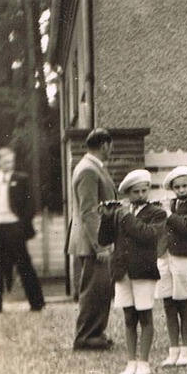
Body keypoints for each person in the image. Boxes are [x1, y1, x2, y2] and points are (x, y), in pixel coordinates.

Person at [100, 169, 167, 374]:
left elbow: (147, 235)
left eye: (144, 190)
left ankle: (144, 362)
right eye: (135, 192)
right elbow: (103, 239)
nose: (140, 195)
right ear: (128, 193)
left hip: (144, 271)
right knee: (129, 317)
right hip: (123, 271)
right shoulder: (121, 213)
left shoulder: (157, 212)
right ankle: (131, 362)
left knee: (145, 316)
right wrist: (105, 217)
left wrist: (125, 216)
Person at [0, 145, 44, 314]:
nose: (10, 164)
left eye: (11, 161)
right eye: (6, 161)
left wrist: (21, 225)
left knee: (24, 265)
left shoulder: (22, 179)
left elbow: (30, 205)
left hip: (14, 227)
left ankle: (37, 303)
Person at [69, 130, 118, 350]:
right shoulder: (88, 170)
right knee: (93, 290)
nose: (111, 150)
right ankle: (86, 336)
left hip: (96, 240)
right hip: (93, 242)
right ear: (105, 145)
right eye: (110, 146)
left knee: (100, 289)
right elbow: (89, 211)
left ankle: (96, 332)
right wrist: (100, 244)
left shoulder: (92, 167)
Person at [157, 166, 187, 366]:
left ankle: (186, 350)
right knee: (168, 304)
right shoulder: (169, 205)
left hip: (184, 258)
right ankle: (173, 349)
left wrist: (169, 213)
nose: (181, 190)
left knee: (183, 303)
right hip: (166, 257)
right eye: (177, 187)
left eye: (185, 185)